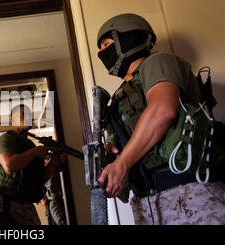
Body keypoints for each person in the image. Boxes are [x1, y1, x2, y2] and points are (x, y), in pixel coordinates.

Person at [95, 13, 224, 225]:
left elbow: (162, 110)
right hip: (148, 203)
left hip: (190, 194)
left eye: (106, 44)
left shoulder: (159, 61)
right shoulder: (120, 97)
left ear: (127, 39)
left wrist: (123, 164)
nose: (102, 52)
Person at [0, 104, 66, 225]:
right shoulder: (6, 139)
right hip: (4, 204)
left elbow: (41, 178)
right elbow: (9, 166)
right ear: (12, 119)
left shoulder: (29, 145)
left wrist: (54, 162)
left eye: (30, 115)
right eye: (23, 115)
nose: (28, 117)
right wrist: (35, 152)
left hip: (25, 204)